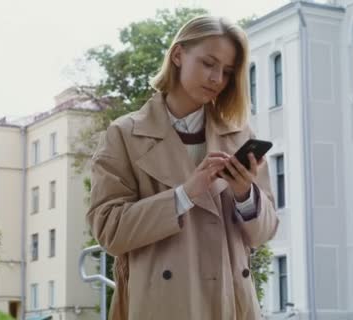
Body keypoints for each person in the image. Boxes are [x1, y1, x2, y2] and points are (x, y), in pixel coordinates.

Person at [86, 15, 279, 320]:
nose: (217, 79)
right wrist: (185, 194)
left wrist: (245, 194)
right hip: (161, 305)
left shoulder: (239, 136)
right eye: (208, 63)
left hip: (230, 304)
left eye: (227, 72)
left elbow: (264, 232)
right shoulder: (124, 134)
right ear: (178, 55)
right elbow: (110, 231)